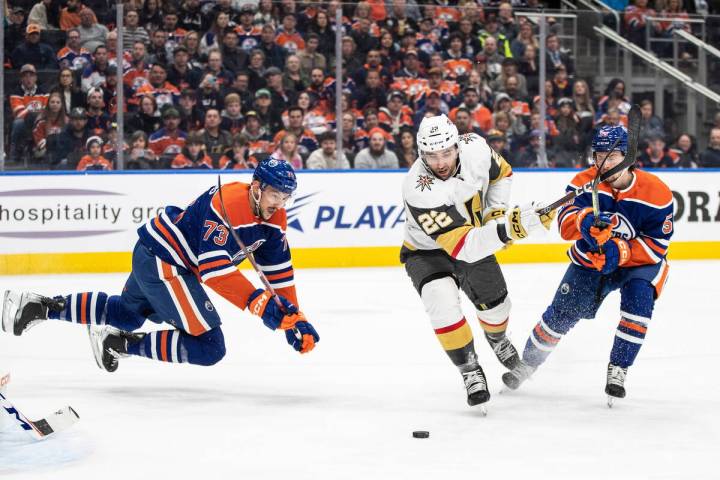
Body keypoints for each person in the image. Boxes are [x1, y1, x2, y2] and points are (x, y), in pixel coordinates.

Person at [2, 158, 320, 372]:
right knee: (210, 347)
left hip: (154, 253)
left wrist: (295, 318)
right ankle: (120, 343)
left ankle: (37, 307)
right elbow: (215, 271)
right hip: (166, 262)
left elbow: (278, 271)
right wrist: (262, 307)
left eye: (286, 196)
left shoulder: (274, 219)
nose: (280, 203)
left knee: (126, 314)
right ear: (257, 187)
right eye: (276, 194)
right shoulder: (230, 204)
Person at [501, 125, 674, 405]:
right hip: (590, 260)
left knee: (638, 303)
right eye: (599, 155)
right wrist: (584, 222)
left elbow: (657, 245)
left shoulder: (656, 192)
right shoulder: (583, 181)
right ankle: (528, 364)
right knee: (560, 315)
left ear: (628, 156)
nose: (603, 163)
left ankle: (618, 369)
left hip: (638, 263)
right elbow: (564, 224)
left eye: (613, 156)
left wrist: (619, 250)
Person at [400, 114, 555, 407]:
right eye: (431, 156)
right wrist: (515, 226)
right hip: (427, 252)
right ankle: (469, 368)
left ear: (458, 145)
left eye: (446, 152)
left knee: (498, 307)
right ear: (421, 154)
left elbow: (502, 174)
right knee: (441, 303)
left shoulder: (477, 147)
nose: (441, 162)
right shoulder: (418, 189)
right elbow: (465, 249)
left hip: (474, 238)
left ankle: (496, 338)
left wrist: (496, 212)